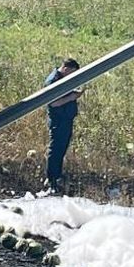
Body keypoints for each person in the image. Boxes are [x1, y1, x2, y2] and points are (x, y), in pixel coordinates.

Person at [44, 58, 83, 194]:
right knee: (55, 151)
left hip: (65, 119)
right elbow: (53, 103)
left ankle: (58, 177)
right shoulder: (53, 81)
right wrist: (72, 97)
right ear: (66, 69)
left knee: (61, 149)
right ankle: (51, 180)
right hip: (58, 121)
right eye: (72, 73)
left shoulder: (62, 78)